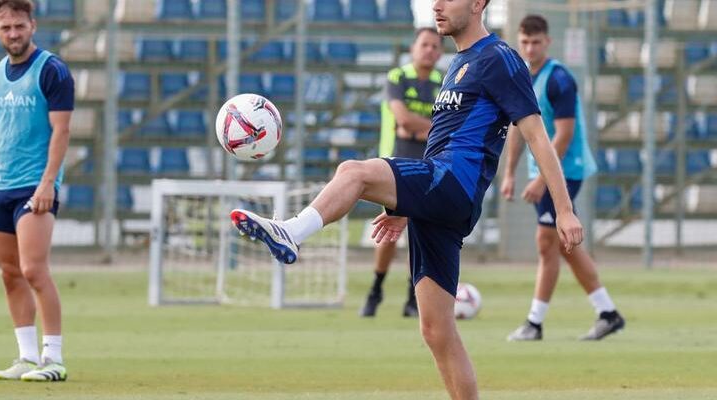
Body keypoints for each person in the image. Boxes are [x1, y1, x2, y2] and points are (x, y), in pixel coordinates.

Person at [229, 0, 584, 397]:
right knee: (437, 331)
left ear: (479, 3)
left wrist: (565, 210)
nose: (436, 5)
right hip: (441, 196)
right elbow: (443, 140)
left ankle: (291, 231)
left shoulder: (500, 58)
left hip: (453, 184)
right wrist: (407, 206)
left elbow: (537, 134)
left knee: (353, 171)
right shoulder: (459, 63)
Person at [502, 14, 625, 342]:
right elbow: (518, 130)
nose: (529, 48)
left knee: (547, 243)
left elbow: (565, 134)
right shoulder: (522, 78)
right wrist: (510, 173)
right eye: (524, 42)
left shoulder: (559, 80)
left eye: (536, 42)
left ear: (548, 42)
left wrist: (543, 178)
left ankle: (535, 322)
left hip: (564, 171)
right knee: (563, 245)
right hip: (541, 171)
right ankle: (607, 312)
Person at [0, 0, 74, 382]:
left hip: (34, 185)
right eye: (6, 27)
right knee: (9, 272)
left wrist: (49, 182)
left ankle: (54, 358)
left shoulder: (52, 70)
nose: (13, 33)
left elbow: (62, 131)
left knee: (33, 269)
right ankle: (26, 357)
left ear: (33, 25)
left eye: (19, 26)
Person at [361, 27, 444, 318]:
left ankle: (412, 299)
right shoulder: (398, 77)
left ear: (441, 52)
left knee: (422, 233)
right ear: (413, 48)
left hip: (429, 165)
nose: (430, 50)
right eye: (425, 45)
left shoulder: (443, 83)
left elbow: (438, 129)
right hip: (394, 163)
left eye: (435, 46)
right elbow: (403, 120)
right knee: (390, 231)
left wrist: (416, 129)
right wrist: (420, 127)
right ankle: (376, 288)